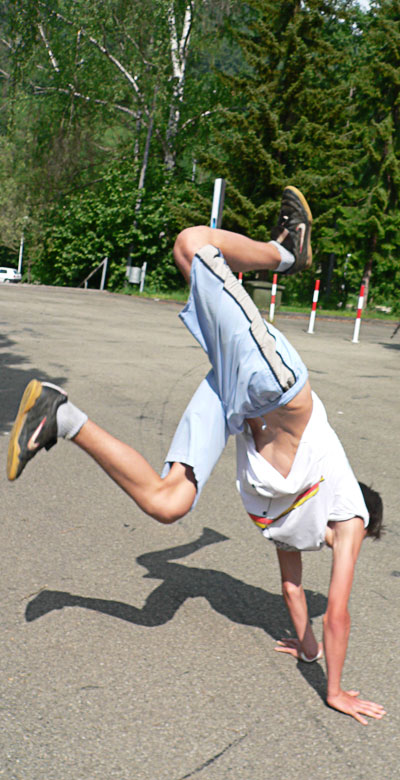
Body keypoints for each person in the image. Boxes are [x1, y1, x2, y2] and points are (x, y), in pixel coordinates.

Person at [7, 186, 385, 724]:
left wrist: (307, 651)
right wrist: (335, 689)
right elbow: (335, 612)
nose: (336, 543)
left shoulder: (288, 528)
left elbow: (294, 591)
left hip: (236, 398)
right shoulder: (349, 516)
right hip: (272, 381)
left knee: (167, 503)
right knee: (190, 246)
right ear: (364, 521)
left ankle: (60, 417)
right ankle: (287, 252)